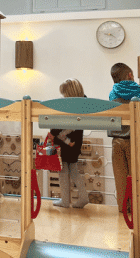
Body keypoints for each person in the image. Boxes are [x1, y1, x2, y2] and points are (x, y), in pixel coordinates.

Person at [108, 63, 140, 213]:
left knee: (120, 177)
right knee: (136, 177)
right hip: (133, 140)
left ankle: (124, 209)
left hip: (116, 140)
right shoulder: (138, 91)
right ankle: (138, 211)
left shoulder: (112, 93)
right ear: (130, 75)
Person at [50, 78, 89, 209]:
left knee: (63, 171)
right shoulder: (83, 105)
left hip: (66, 144)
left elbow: (57, 127)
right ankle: (81, 197)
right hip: (75, 143)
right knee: (73, 171)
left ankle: (66, 200)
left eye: (64, 95)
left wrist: (54, 133)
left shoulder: (69, 107)